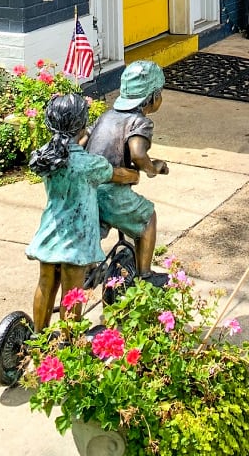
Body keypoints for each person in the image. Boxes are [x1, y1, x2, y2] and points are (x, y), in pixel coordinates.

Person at [26, 92, 140, 331]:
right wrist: (135, 175)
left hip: (51, 230)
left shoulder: (46, 157)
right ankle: (69, 342)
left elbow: (64, 151)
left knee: (46, 283)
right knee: (72, 291)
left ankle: (38, 337)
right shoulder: (89, 164)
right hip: (76, 236)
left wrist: (78, 138)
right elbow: (116, 174)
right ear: (80, 125)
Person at [84, 61, 170, 287]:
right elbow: (138, 154)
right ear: (151, 98)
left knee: (97, 225)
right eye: (159, 93)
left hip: (89, 189)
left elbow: (85, 140)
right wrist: (153, 169)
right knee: (147, 217)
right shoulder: (139, 122)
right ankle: (145, 275)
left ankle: (88, 269)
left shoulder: (106, 116)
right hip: (113, 191)